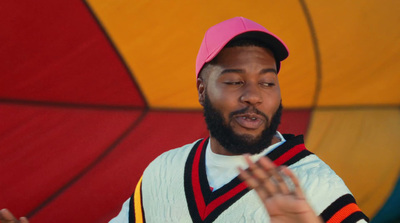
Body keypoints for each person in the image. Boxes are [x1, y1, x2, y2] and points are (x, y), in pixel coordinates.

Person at [0, 17, 369, 223]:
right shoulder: (165, 170)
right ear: (201, 88)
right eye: (234, 80)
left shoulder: (312, 183)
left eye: (267, 81)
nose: (254, 95)